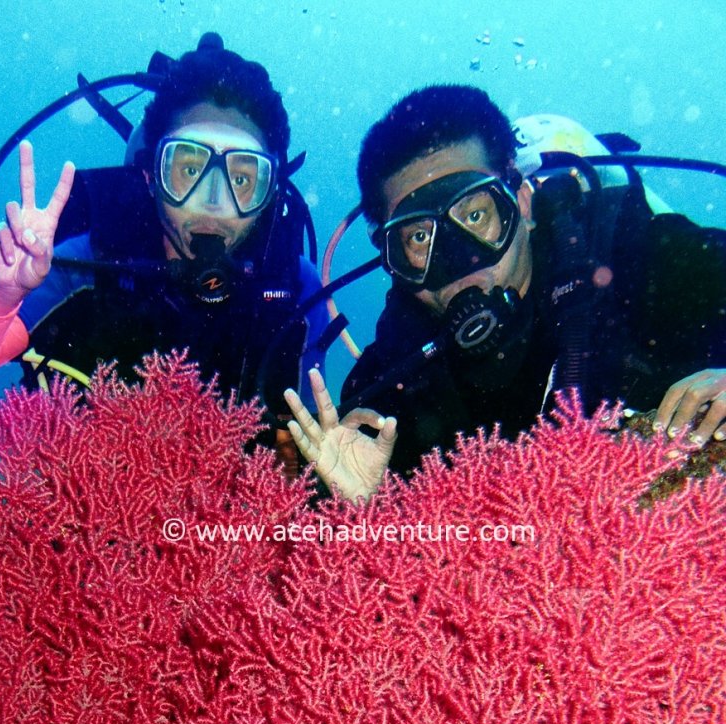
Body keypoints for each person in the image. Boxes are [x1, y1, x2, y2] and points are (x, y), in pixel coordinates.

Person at [284, 84, 726, 497]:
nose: (458, 260)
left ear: (523, 203)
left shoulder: (637, 254)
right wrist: (361, 507)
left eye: (475, 217)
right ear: (393, 260)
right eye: (420, 238)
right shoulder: (391, 384)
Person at [0, 35, 329, 451]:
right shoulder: (88, 262)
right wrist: (4, 295)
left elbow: (298, 443)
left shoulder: (295, 287)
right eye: (189, 170)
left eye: (242, 179)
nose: (213, 204)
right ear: (151, 175)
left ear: (270, 194)